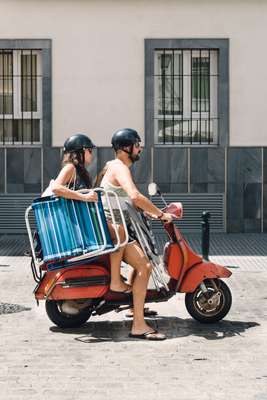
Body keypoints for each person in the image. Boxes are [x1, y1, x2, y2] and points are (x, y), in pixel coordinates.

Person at [99, 128, 172, 340]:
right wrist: (160, 214)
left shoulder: (112, 166)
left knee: (141, 262)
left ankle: (134, 308)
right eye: (137, 144)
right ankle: (138, 325)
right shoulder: (120, 167)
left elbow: (125, 199)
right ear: (125, 148)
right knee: (144, 265)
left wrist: (141, 210)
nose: (140, 148)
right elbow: (135, 195)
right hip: (114, 227)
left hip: (114, 225)